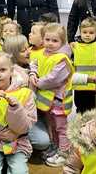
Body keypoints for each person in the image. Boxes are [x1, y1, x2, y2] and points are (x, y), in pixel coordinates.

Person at [29, 23, 75, 167]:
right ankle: (55, 147)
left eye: (55, 41)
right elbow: (34, 64)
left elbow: (53, 79)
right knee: (52, 126)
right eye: (47, 39)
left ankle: (64, 152)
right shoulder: (43, 54)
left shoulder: (62, 59)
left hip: (59, 101)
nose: (50, 43)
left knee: (61, 127)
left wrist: (38, 82)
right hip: (48, 101)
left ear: (62, 42)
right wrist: (33, 73)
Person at [71, 17, 96, 113]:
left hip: (93, 84)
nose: (87, 35)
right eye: (85, 32)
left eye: (91, 33)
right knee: (80, 107)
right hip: (79, 83)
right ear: (80, 31)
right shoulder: (75, 45)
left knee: (92, 108)